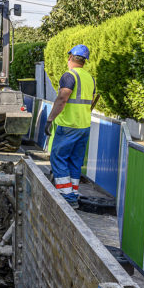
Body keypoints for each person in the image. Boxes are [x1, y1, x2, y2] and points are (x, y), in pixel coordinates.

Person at [44, 44, 97, 199]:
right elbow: (91, 102)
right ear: (84, 61)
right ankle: (73, 192)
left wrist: (50, 119)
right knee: (75, 161)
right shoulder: (90, 78)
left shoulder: (69, 76)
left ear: (70, 58)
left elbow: (62, 98)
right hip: (84, 126)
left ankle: (67, 196)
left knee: (58, 158)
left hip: (68, 125)